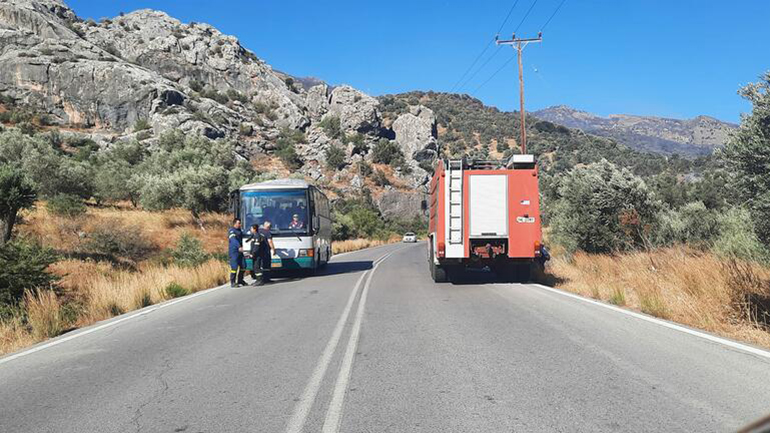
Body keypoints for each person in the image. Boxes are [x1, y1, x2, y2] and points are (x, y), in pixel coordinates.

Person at [228, 218, 247, 287]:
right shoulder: (231, 231)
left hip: (240, 252)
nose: (240, 224)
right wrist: (239, 246)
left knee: (244, 266)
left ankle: (240, 280)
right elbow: (233, 240)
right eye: (239, 223)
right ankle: (233, 282)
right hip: (234, 252)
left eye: (240, 223)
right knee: (234, 268)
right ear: (234, 224)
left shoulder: (240, 231)